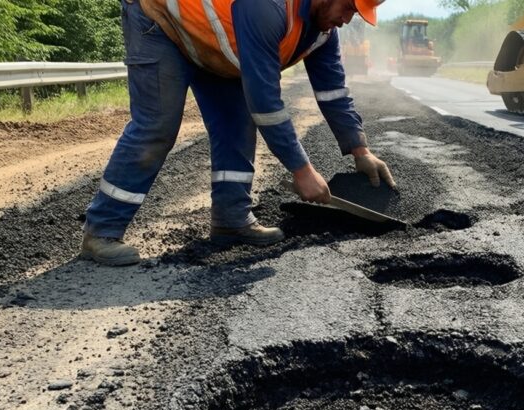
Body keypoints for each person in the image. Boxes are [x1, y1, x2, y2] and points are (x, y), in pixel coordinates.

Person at [81, 0, 394, 266]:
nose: (346, 19)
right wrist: (302, 170)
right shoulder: (269, 7)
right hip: (161, 20)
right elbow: (266, 103)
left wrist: (361, 151)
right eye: (349, 7)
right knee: (157, 125)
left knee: (238, 123)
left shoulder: (322, 32)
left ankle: (231, 220)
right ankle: (102, 231)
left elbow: (333, 93)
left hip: (215, 42)